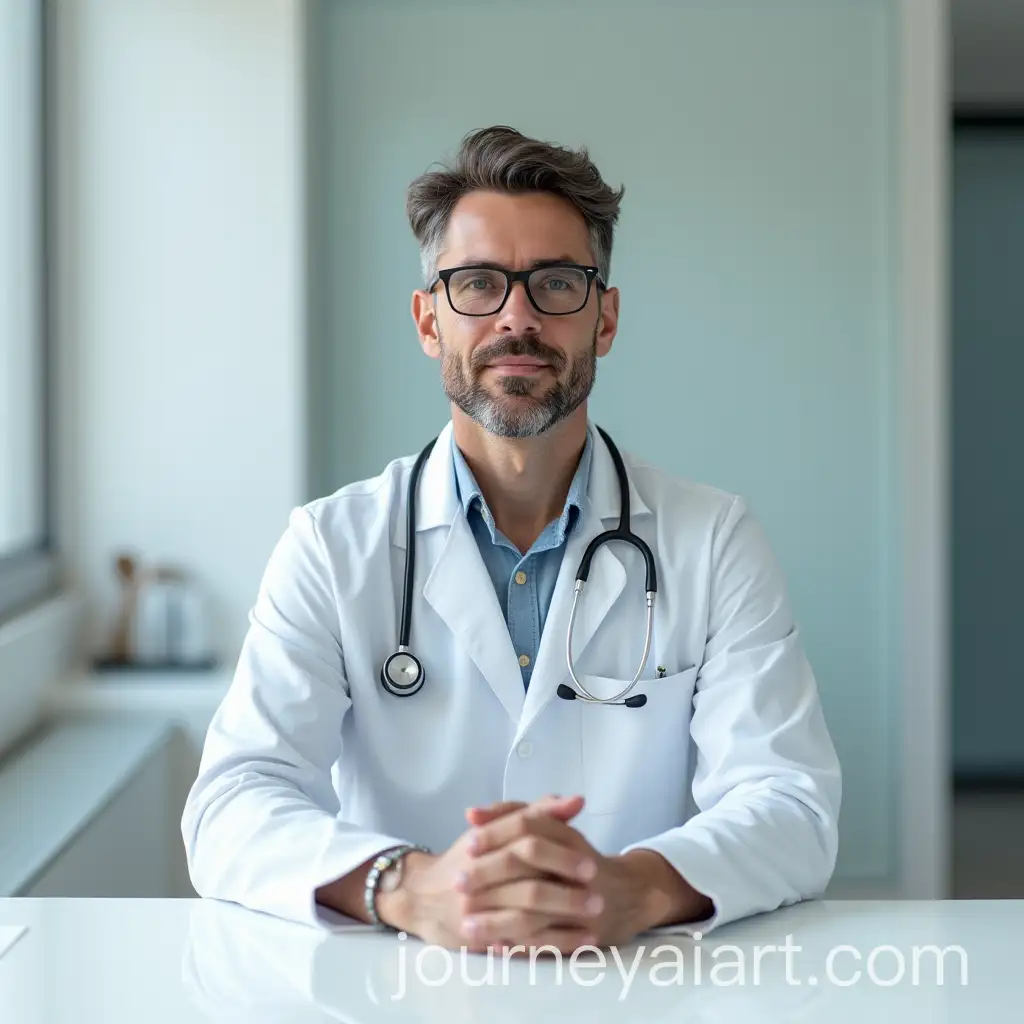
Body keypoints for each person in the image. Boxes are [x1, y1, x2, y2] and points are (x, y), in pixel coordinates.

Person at [182, 125, 841, 955]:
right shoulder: (330, 545)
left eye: (557, 284)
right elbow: (233, 802)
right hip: (397, 990)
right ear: (429, 321)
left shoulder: (712, 542)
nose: (517, 318)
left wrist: (629, 889)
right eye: (479, 284)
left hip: (634, 985)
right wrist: (413, 888)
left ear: (604, 319)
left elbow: (790, 803)